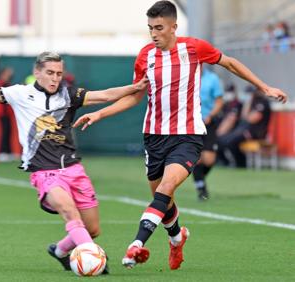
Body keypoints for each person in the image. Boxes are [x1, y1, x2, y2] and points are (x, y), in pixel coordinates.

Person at [73, 0, 287, 271]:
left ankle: (136, 245)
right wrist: (100, 114)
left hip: (187, 135)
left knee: (165, 189)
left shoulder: (195, 48)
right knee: (165, 201)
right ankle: (177, 237)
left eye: (159, 28)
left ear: (174, 26)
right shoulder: (145, 56)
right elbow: (136, 96)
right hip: (153, 136)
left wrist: (264, 86)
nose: (154, 34)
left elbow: (230, 63)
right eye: (150, 28)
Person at [0, 46, 148, 273]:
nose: (55, 78)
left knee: (92, 227)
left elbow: (106, 95)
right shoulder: (19, 93)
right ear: (37, 72)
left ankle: (59, 251)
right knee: (70, 212)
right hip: (44, 172)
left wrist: (135, 87)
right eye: (50, 73)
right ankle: (92, 255)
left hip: (73, 169)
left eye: (58, 74)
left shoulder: (69, 94)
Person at [218, 86, 272, 167]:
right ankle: (232, 162)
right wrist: (247, 103)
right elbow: (244, 116)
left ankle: (241, 163)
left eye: (250, 93)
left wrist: (248, 104)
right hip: (244, 130)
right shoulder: (249, 103)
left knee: (231, 141)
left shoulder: (262, 102)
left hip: (256, 133)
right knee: (223, 140)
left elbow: (251, 119)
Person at [192, 68, 223, 201]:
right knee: (197, 158)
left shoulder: (212, 78)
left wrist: (211, 115)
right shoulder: (185, 75)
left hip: (208, 122)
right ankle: (201, 188)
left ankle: (199, 178)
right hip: (191, 123)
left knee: (209, 159)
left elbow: (219, 101)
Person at [0, 67, 15, 162]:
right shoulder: (1, 84)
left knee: (9, 132)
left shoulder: (6, 84)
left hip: (7, 113)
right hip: (3, 112)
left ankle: (8, 152)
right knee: (5, 132)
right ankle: (2, 152)